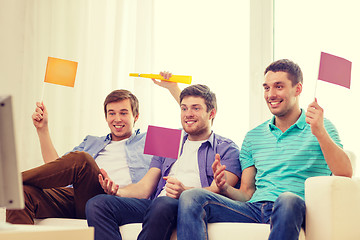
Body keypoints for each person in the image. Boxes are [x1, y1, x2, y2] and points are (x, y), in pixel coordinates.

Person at [176, 59, 353, 240]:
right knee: (192, 197)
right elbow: (246, 193)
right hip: (254, 209)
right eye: (266, 88)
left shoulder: (321, 127)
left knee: (287, 199)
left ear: (298, 89)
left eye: (278, 87)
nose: (271, 94)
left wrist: (320, 133)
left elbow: (345, 172)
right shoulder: (253, 136)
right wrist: (225, 187)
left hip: (293, 207)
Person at [6, 72, 180, 224]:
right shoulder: (92, 141)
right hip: (76, 198)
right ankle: (13, 185)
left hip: (114, 200)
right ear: (105, 117)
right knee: (22, 194)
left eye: (123, 112)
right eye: (111, 113)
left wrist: (173, 88)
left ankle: (8, 182)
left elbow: (191, 125)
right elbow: (54, 168)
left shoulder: (150, 138)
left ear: (136, 116)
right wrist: (42, 129)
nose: (117, 118)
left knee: (82, 159)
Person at [85, 84, 242, 240]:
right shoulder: (169, 139)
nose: (188, 114)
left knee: (163, 204)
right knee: (97, 204)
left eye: (196, 108)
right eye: (184, 108)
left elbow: (219, 189)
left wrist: (185, 191)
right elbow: (145, 187)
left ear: (211, 113)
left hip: (189, 207)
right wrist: (117, 191)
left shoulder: (226, 148)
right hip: (156, 205)